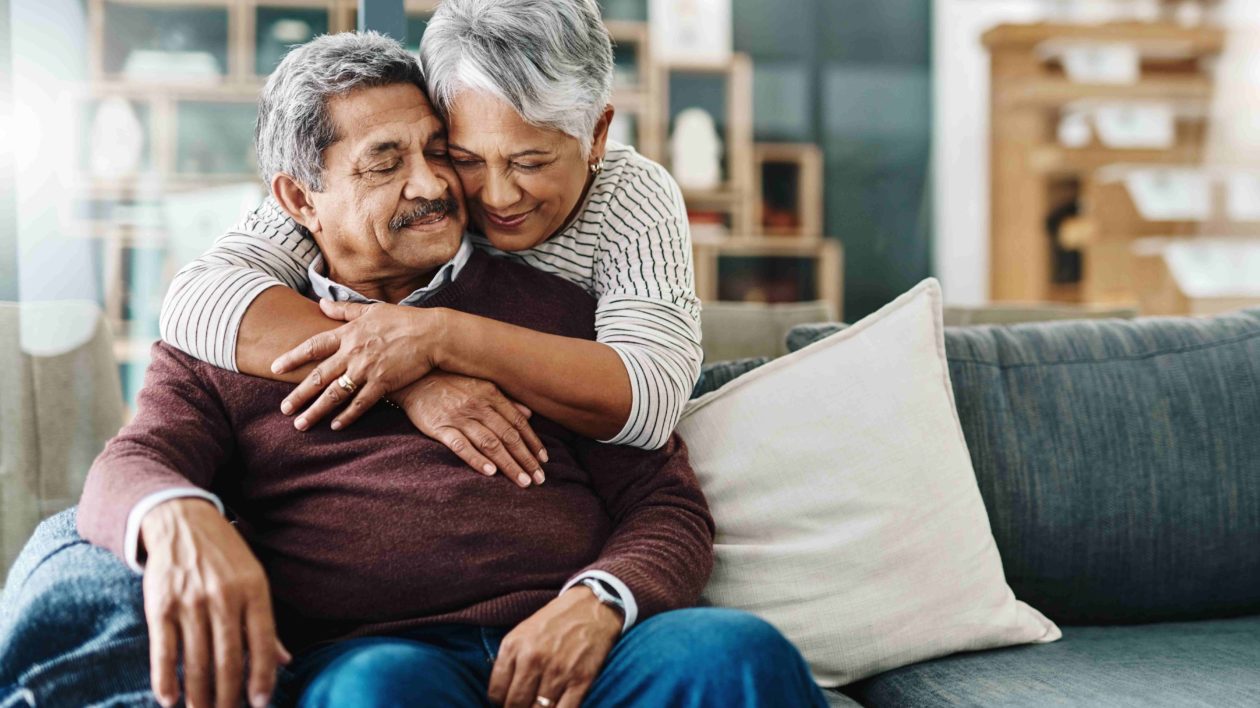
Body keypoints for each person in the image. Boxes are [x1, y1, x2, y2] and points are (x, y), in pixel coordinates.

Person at [0, 32, 828, 708]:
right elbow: (129, 465)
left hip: (582, 644)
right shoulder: (232, 331)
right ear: (297, 199)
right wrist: (180, 517)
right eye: (383, 162)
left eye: (438, 151)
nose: (435, 185)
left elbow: (665, 503)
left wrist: (599, 601)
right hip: (381, 654)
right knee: (379, 691)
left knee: (735, 655)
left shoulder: (554, 311)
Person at [159, 0, 702, 489]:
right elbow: (197, 299)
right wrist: (416, 379)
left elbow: (652, 401)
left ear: (598, 135)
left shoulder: (631, 197)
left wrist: (437, 337)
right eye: (463, 157)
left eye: (529, 162)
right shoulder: (419, 187)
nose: (496, 196)